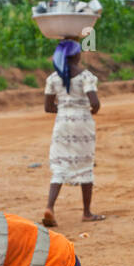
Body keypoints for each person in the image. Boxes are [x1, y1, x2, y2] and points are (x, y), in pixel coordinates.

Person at [42, 39, 102, 228]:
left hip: (62, 124)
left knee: (60, 165)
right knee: (85, 163)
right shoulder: (86, 77)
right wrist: (88, 110)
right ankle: (86, 212)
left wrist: (65, 109)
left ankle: (50, 207)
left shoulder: (52, 78)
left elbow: (48, 107)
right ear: (77, 55)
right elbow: (95, 102)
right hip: (82, 123)